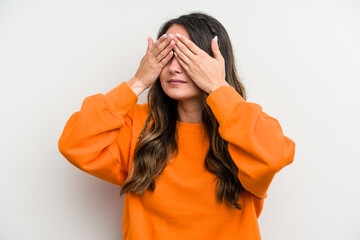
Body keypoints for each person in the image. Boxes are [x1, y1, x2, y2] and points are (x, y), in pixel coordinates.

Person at [58, 12, 296, 240]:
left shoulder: (243, 126)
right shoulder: (138, 126)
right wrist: (138, 81)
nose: (173, 67)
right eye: (166, 55)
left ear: (214, 63)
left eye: (187, 56)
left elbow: (274, 155)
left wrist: (217, 86)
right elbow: (75, 143)